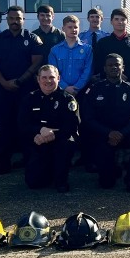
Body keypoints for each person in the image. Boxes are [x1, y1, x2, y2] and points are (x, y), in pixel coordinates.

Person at [0, 6, 44, 175]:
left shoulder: (32, 38)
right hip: (3, 90)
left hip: (26, 90)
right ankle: (2, 163)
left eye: (18, 18)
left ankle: (29, 161)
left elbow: (37, 62)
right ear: (7, 20)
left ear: (23, 20)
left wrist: (19, 80)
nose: (15, 21)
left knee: (26, 125)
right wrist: (4, 82)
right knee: (4, 127)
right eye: (12, 18)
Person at [81, 54, 130, 192]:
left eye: (117, 65)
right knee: (106, 183)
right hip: (102, 134)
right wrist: (109, 133)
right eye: (110, 65)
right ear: (104, 68)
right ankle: (111, 169)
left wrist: (122, 133)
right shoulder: (94, 89)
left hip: (125, 132)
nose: (114, 67)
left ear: (123, 68)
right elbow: (88, 118)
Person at [18, 65, 79, 193]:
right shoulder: (30, 98)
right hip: (38, 140)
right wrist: (39, 131)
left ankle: (61, 179)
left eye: (52, 77)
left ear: (58, 78)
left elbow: (71, 126)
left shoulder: (67, 99)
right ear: (38, 79)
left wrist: (52, 134)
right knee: (33, 183)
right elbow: (23, 124)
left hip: (60, 140)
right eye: (44, 77)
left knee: (65, 145)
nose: (48, 81)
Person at [92, 8, 130, 83]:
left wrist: (124, 76)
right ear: (111, 21)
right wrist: (114, 75)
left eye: (123, 19)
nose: (120, 22)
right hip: (107, 82)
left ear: (127, 22)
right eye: (116, 19)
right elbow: (99, 64)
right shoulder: (103, 43)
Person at [48, 15, 92, 95]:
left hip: (82, 91)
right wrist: (65, 87)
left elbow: (88, 71)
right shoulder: (55, 50)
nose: (73, 30)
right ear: (63, 29)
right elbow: (53, 72)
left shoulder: (87, 49)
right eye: (70, 27)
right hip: (60, 91)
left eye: (76, 27)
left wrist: (77, 87)